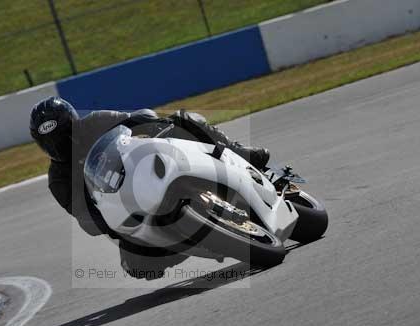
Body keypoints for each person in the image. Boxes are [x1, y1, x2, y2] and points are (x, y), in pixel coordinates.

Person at [29, 96, 270, 277]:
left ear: (74, 121)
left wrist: (149, 122)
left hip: (148, 172)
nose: (60, 144)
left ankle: (236, 152)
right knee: (137, 266)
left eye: (63, 134)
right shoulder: (58, 180)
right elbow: (83, 215)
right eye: (50, 142)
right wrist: (98, 220)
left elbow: (134, 120)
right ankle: (193, 240)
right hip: (130, 208)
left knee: (182, 119)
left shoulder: (97, 120)